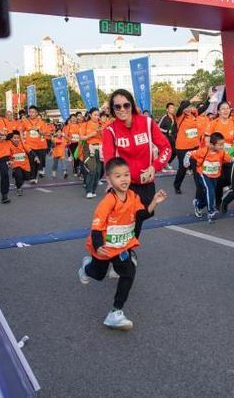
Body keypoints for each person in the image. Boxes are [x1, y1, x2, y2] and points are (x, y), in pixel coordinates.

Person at [78, 157, 167, 330]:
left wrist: (154, 201)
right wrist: (98, 247)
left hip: (122, 246)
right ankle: (86, 267)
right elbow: (97, 226)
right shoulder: (108, 201)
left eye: (126, 175)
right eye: (118, 176)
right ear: (109, 179)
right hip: (104, 247)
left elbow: (141, 215)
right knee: (98, 274)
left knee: (129, 272)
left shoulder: (133, 196)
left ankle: (115, 312)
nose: (124, 179)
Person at [102, 89, 172, 239]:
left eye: (126, 105)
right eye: (117, 107)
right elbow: (109, 160)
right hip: (124, 185)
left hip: (146, 182)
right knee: (124, 220)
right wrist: (111, 182)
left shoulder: (147, 123)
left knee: (141, 216)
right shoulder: (109, 130)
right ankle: (120, 253)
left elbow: (166, 148)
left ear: (132, 105)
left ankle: (127, 248)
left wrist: (154, 167)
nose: (122, 110)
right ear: (113, 109)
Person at [186, 132, 232, 223]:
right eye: (220, 145)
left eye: (223, 144)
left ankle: (198, 204)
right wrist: (186, 162)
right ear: (211, 144)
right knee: (209, 191)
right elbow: (189, 154)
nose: (222, 147)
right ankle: (211, 211)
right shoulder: (203, 151)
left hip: (215, 175)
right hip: (203, 174)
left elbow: (230, 159)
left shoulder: (221, 153)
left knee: (209, 194)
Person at [173, 100, 199, 194]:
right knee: (183, 168)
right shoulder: (179, 116)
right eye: (186, 107)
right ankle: (177, 185)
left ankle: (199, 187)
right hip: (182, 147)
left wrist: (208, 98)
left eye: (189, 107)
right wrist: (191, 100)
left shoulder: (193, 115)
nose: (188, 109)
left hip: (195, 146)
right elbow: (182, 107)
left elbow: (203, 108)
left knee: (196, 167)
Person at [22, 105, 49, 183]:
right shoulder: (25, 122)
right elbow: (20, 131)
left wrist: (38, 130)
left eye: (33, 112)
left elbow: (45, 133)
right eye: (30, 112)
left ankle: (35, 175)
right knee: (31, 161)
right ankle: (32, 177)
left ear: (37, 113)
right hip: (30, 145)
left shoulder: (42, 123)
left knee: (38, 162)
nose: (31, 113)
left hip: (40, 145)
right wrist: (23, 140)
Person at [81, 107, 103, 198]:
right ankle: (88, 190)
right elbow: (82, 137)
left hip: (100, 149)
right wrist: (92, 134)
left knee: (98, 171)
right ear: (90, 115)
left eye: (98, 115)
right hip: (88, 149)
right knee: (92, 169)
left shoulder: (102, 125)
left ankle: (93, 190)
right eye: (95, 115)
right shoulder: (85, 125)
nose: (97, 117)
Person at [8, 131, 33, 196]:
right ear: (11, 139)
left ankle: (19, 183)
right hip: (16, 164)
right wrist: (9, 161)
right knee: (19, 176)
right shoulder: (8, 145)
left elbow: (30, 150)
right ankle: (19, 188)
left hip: (25, 164)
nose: (16, 139)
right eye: (14, 138)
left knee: (26, 177)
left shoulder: (22, 144)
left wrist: (35, 157)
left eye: (18, 138)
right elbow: (7, 155)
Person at [158, 102, 177, 168]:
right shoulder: (164, 117)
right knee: (166, 151)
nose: (172, 109)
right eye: (171, 108)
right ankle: (162, 164)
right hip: (166, 137)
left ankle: (167, 162)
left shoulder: (175, 117)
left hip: (173, 137)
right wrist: (166, 131)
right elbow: (158, 127)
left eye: (173, 108)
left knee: (175, 151)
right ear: (167, 109)